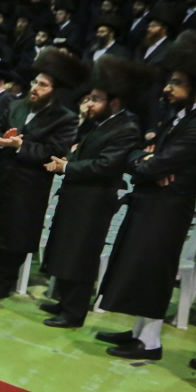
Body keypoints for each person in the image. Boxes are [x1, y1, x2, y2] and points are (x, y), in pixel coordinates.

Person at [96, 32, 196, 360]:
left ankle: (150, 342)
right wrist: (145, 158)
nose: (167, 88)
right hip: (154, 202)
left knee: (154, 270)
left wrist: (149, 161)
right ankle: (139, 331)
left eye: (177, 82)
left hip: (169, 206)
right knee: (141, 267)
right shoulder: (184, 116)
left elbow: (156, 164)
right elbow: (141, 157)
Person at [0, 47, 84, 300]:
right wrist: (0, 141)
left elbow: (54, 151)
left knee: (13, 236)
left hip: (28, 185)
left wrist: (21, 147)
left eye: (43, 85)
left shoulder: (64, 118)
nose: (35, 88)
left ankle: (2, 282)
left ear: (54, 91)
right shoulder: (16, 105)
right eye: (36, 82)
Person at [38, 56, 150, 327]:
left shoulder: (127, 127)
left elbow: (106, 165)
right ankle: (64, 302)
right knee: (67, 251)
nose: (89, 104)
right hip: (78, 197)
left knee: (80, 256)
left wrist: (68, 167)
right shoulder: (100, 124)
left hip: (94, 201)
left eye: (96, 99)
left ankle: (74, 312)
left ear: (114, 102)